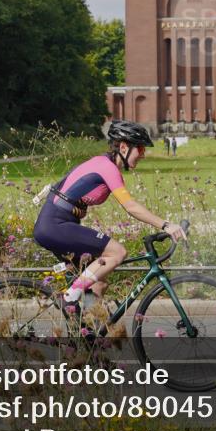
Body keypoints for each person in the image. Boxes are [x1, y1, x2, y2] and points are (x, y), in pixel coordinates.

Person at [33, 121, 186, 320]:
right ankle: (68, 297)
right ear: (123, 147)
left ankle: (89, 330)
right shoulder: (107, 168)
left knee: (99, 283)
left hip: (56, 225)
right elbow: (130, 206)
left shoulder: (102, 163)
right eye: (140, 149)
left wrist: (76, 208)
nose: (143, 154)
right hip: (55, 226)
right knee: (117, 252)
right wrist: (165, 225)